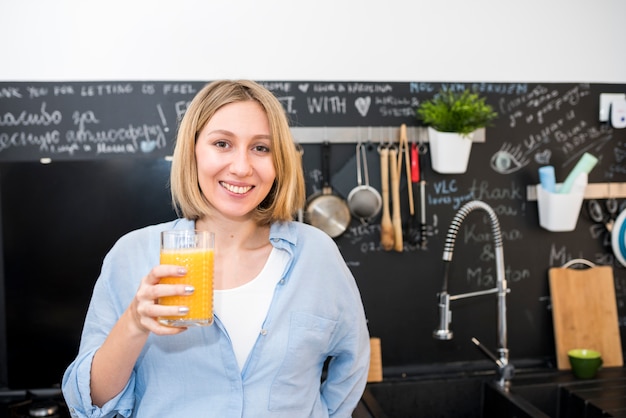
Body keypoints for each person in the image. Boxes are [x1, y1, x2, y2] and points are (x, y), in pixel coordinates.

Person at [62, 79, 371, 418]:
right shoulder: (132, 255)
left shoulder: (317, 255)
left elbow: (352, 363)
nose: (241, 167)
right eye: (222, 143)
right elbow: (88, 405)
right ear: (193, 151)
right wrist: (135, 323)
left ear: (279, 161)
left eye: (261, 148)